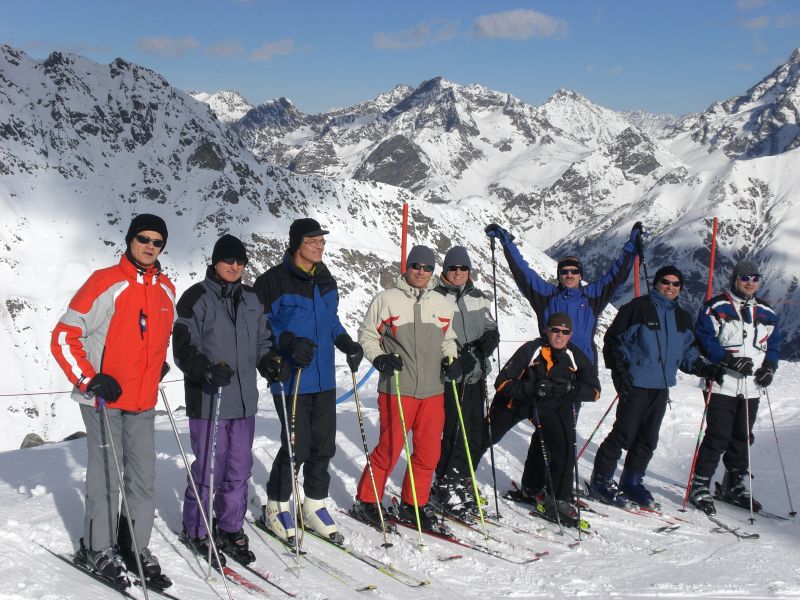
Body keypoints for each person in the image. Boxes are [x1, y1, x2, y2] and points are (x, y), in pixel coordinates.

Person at [50, 214, 175, 587]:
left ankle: (134, 545)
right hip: (103, 400)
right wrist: (90, 378)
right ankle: (97, 547)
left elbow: (154, 339)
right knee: (106, 477)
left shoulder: (166, 288)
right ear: (129, 239)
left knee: (143, 479)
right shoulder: (106, 282)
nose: (150, 246)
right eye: (143, 238)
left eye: (157, 241)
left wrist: (157, 365)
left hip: (143, 401)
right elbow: (63, 336)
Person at [253, 218, 363, 544]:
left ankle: (313, 504)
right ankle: (276, 504)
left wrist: (347, 343)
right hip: (292, 378)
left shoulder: (325, 279)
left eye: (322, 241)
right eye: (312, 241)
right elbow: (259, 324)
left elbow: (330, 320)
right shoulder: (274, 281)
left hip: (324, 377)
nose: (319, 246)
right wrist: (287, 343)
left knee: (323, 447)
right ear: (296, 243)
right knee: (296, 447)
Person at [173, 234, 275, 565]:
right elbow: (184, 347)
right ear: (215, 262)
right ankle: (197, 529)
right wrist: (203, 369)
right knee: (209, 468)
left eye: (240, 262)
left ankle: (230, 527)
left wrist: (270, 360)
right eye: (229, 260)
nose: (234, 266)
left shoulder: (251, 298)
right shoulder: (195, 298)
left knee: (239, 469)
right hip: (209, 400)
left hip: (244, 401)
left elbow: (263, 340)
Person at [589, 266, 725, 509]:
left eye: (676, 283)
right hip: (636, 383)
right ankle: (601, 480)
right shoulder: (637, 309)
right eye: (665, 281)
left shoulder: (682, 317)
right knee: (623, 434)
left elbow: (687, 353)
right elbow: (614, 340)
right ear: (657, 283)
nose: (670, 287)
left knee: (647, 438)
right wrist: (620, 371)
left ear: (680, 287)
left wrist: (705, 368)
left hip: (661, 387)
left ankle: (631, 481)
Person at [351, 245, 463, 532]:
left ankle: (413, 503)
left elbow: (447, 338)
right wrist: (379, 358)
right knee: (389, 449)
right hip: (397, 388)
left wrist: (452, 359)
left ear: (432, 271)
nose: (421, 272)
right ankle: (367, 500)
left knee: (428, 454)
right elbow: (366, 335)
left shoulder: (442, 303)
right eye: (416, 266)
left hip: (433, 391)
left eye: (427, 268)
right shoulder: (386, 300)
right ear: (407, 267)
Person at [479, 313, 600, 527]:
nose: (559, 335)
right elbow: (502, 383)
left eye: (565, 332)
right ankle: (456, 478)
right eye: (555, 330)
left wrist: (570, 389)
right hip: (515, 402)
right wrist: (532, 389)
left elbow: (595, 391)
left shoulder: (575, 355)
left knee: (564, 446)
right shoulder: (531, 349)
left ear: (570, 334)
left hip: (550, 406)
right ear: (546, 330)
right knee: (485, 437)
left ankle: (556, 498)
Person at [689, 260, 781, 515]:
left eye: (754, 278)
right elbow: (705, 339)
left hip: (751, 387)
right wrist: (727, 360)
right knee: (718, 435)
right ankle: (700, 483)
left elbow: (773, 345)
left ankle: (734, 483)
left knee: (742, 435)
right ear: (734, 279)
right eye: (744, 278)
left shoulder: (767, 312)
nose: (750, 282)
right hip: (722, 382)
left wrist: (769, 368)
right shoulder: (716, 307)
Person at [485, 222, 644, 365]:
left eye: (574, 271)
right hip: (551, 366)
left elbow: (615, 276)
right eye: (564, 271)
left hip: (581, 368)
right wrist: (506, 242)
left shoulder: (592, 296)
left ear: (581, 275)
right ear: (559, 276)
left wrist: (631, 247)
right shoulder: (546, 295)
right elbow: (523, 272)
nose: (569, 275)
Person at [431, 246, 499, 519]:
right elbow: (431, 334)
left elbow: (491, 327)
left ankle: (458, 479)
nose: (458, 272)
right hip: (451, 374)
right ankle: (446, 483)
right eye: (453, 268)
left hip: (476, 374)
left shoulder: (478, 296)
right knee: (454, 431)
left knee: (475, 432)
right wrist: (457, 356)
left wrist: (487, 343)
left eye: (463, 268)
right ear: (445, 270)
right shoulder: (434, 297)